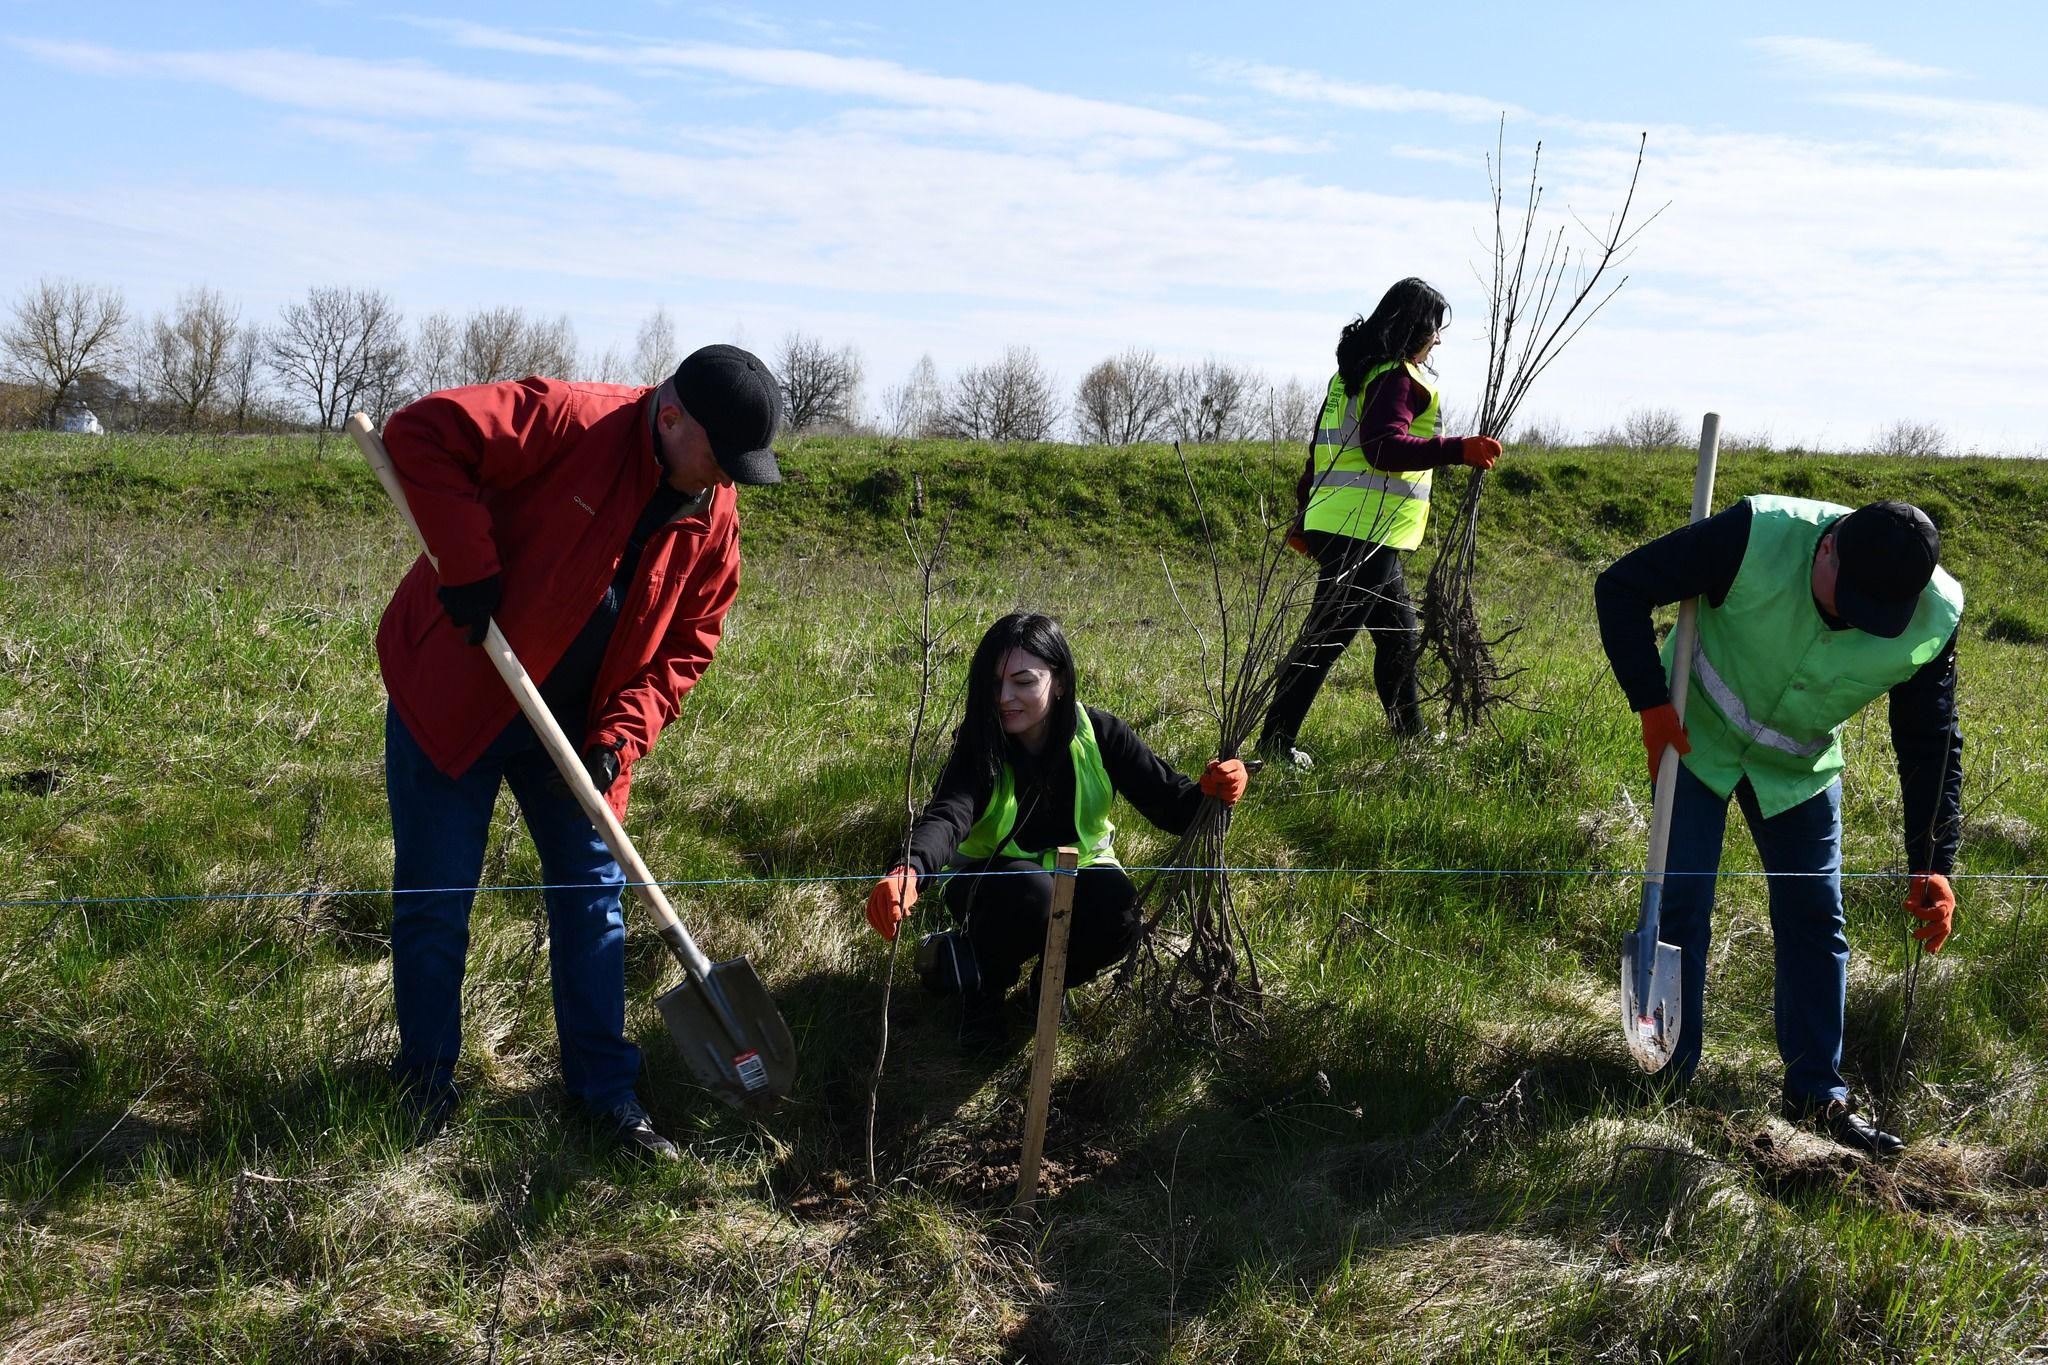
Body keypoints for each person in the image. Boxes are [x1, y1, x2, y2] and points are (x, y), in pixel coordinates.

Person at [377, 345, 782, 1159]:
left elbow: (689, 644)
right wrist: (468, 563)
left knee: (593, 904)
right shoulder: (568, 418)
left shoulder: (714, 513)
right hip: (460, 690)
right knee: (438, 899)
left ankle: (606, 1095)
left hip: (575, 730)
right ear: (669, 418)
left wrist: (619, 738)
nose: (725, 482)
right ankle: (423, 1085)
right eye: (719, 458)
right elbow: (418, 433)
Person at [1595, 496, 1963, 1155]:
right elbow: (1619, 587)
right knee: (1680, 904)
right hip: (1694, 737)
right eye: (1848, 595)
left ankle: (1817, 1096)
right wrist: (1650, 702)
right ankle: (1664, 1077)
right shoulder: (1754, 534)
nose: (1855, 618)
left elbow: (1928, 740)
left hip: (1797, 768)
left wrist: (1934, 859)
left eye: (1875, 615)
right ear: (1827, 548)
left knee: (1815, 916)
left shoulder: (1935, 614)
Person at [862, 612, 1249, 1048]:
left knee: (1121, 915)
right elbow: (949, 814)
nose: (1005, 697)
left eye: (1023, 682)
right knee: (1029, 894)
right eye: (994, 684)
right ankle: (984, 986)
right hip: (991, 883)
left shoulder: (1101, 735)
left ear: (1060, 681)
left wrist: (1214, 791)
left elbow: (1172, 806)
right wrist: (910, 870)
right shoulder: (979, 742)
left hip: (1079, 871)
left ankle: (1047, 988)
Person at [1259, 278, 1501, 762]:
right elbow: (1381, 447)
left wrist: (1308, 515)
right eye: (1436, 328)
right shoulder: (1398, 378)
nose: (1439, 338)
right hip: (1362, 528)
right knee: (1327, 640)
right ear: (1415, 328)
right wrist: (1458, 449)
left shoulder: (1353, 374)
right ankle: (1275, 744)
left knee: (1399, 636)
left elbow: (1319, 452)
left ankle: (1410, 739)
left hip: (1347, 523)